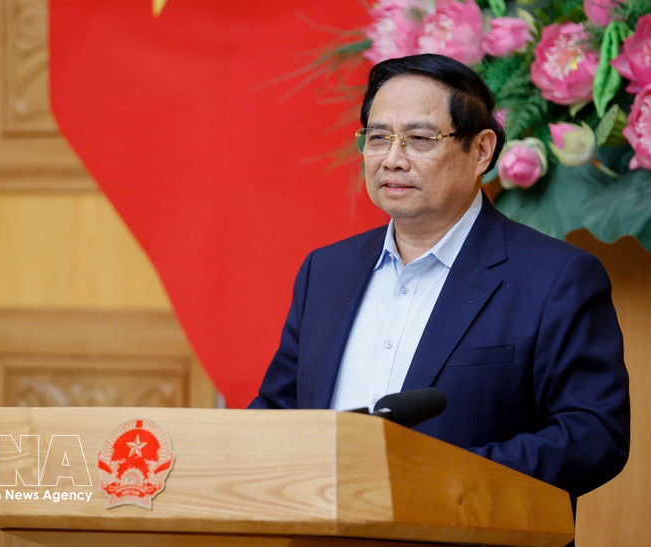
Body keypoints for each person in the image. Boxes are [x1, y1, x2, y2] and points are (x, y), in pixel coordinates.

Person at [248, 54, 630, 502]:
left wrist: (437, 479)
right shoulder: (325, 272)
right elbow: (276, 414)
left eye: (419, 139)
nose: (392, 159)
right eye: (377, 138)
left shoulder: (555, 278)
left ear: (482, 150)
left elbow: (592, 436)